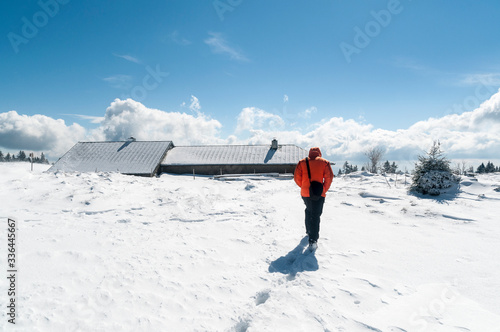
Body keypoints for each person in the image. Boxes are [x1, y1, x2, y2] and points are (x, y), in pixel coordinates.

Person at [294, 147, 334, 250]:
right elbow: (329, 177)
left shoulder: (302, 162)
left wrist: (304, 187)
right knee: (315, 215)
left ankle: (308, 231)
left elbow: (297, 178)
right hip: (318, 193)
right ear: (319, 153)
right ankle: (313, 241)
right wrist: (323, 189)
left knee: (309, 210)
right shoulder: (324, 163)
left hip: (305, 193)